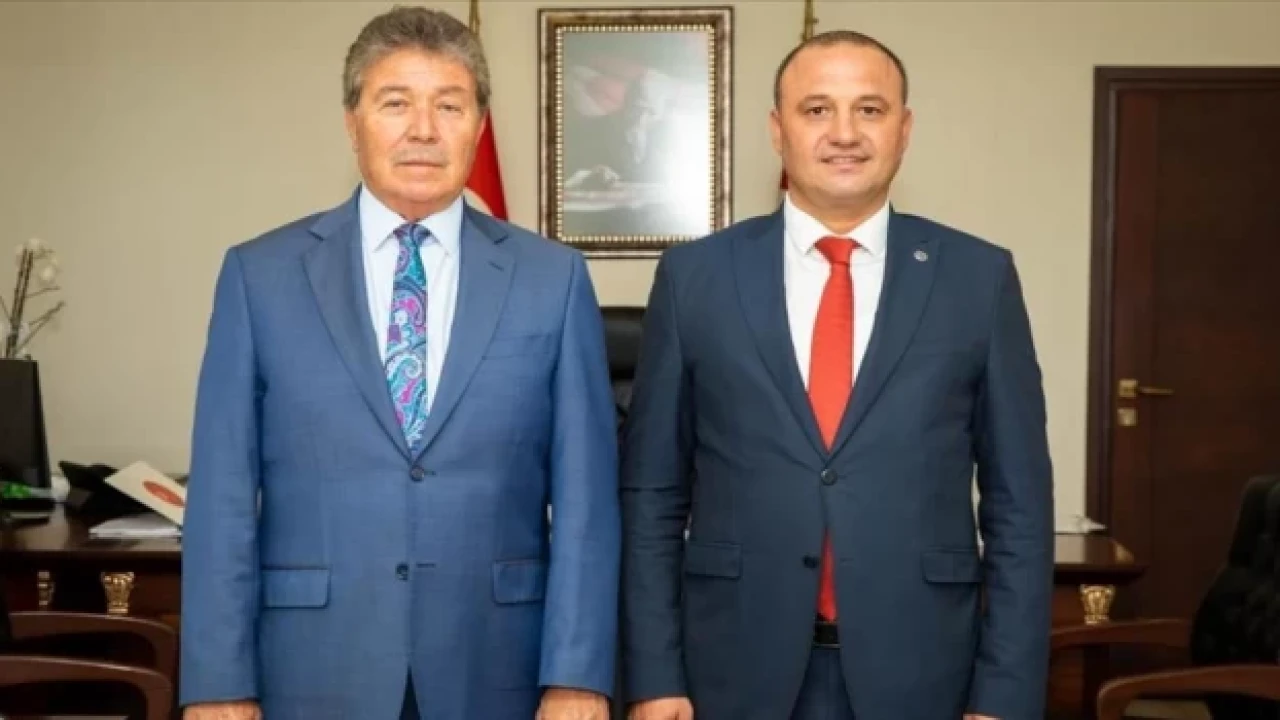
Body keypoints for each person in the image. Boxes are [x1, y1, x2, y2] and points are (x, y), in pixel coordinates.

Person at [179, 6, 619, 720]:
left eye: (449, 105)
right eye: (395, 103)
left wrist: (577, 676)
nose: (423, 129)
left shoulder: (553, 279)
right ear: (352, 123)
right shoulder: (259, 277)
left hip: (497, 668)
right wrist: (217, 686)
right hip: (312, 668)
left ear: (478, 124)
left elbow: (586, 502)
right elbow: (221, 499)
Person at [620, 29, 1053, 720]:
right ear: (777, 130)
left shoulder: (978, 279)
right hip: (728, 673)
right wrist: (653, 677)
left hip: (924, 675)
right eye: (817, 109)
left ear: (904, 130)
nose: (844, 133)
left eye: (870, 110)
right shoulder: (694, 278)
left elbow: (1019, 508)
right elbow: (652, 495)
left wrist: (1004, 695)